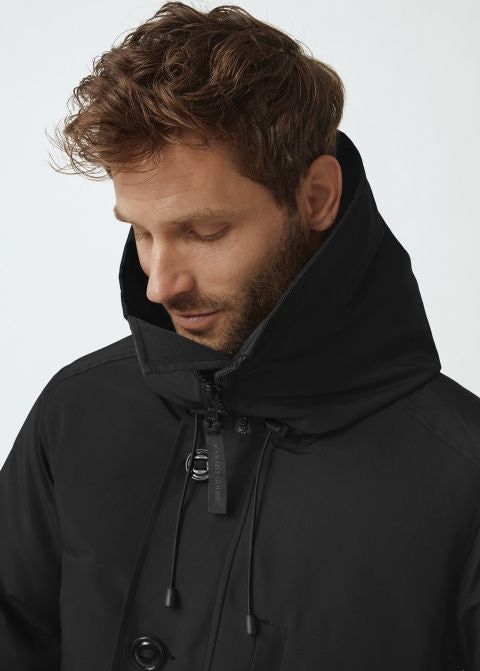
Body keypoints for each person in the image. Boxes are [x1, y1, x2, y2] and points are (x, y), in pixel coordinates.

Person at [1, 2, 479, 670]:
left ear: (316, 197)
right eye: (141, 232)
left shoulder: (462, 477)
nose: (161, 284)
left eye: (204, 232)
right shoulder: (77, 413)